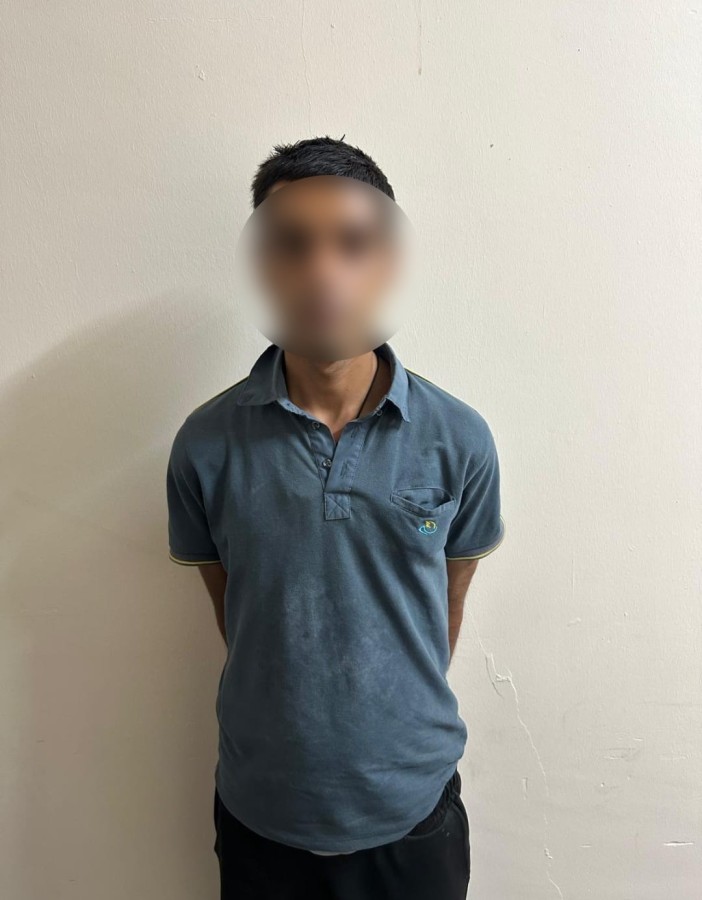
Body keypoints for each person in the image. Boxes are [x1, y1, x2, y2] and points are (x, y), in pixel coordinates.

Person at [166, 136, 506, 899]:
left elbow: (444, 605)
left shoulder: (459, 439)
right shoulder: (205, 445)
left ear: (386, 263)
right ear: (264, 265)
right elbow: (238, 611)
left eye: (352, 243)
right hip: (263, 813)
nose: (323, 270)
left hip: (413, 813)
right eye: (292, 244)